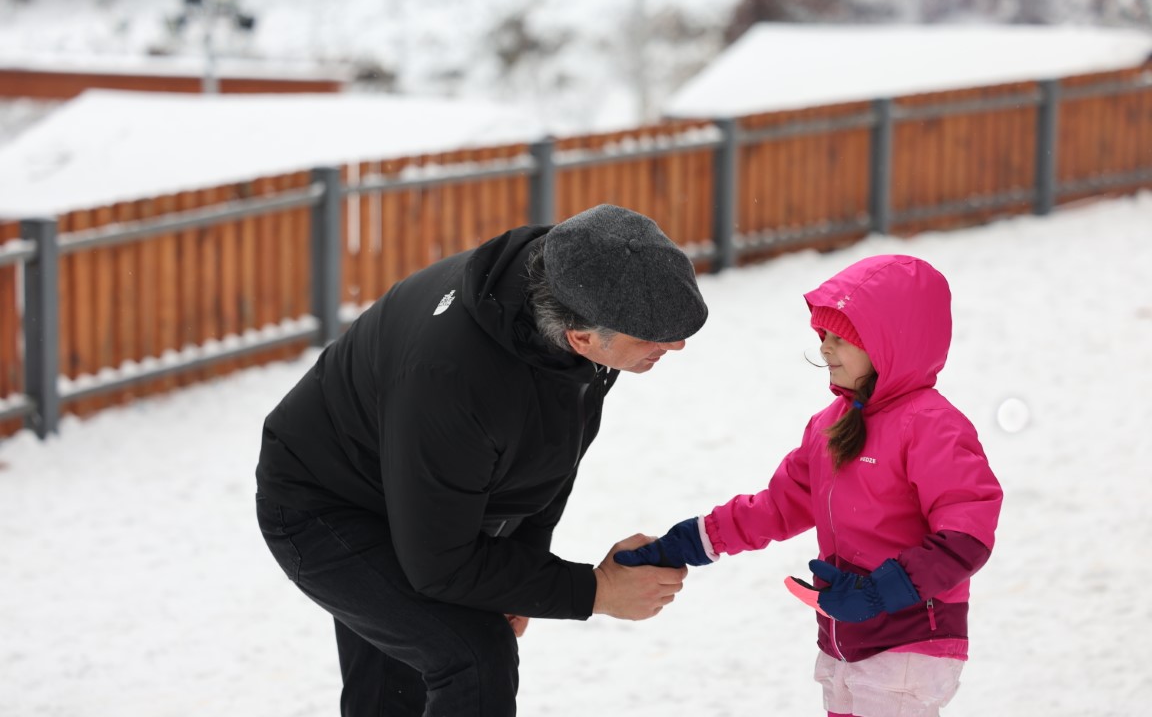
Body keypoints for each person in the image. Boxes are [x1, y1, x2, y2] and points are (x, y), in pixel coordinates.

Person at [255, 203, 708, 716]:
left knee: (399, 684)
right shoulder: (456, 380)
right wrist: (594, 591)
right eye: (654, 337)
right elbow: (440, 566)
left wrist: (524, 576)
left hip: (426, 483)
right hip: (327, 501)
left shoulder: (576, 287)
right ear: (580, 338)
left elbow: (551, 455)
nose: (676, 344)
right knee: (471, 656)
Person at [615, 254, 1003, 717]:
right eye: (823, 336)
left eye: (840, 339)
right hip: (843, 633)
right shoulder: (830, 427)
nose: (824, 349)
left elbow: (967, 537)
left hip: (910, 637)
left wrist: (880, 592)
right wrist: (689, 542)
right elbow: (777, 507)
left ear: (889, 344)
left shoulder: (931, 427)